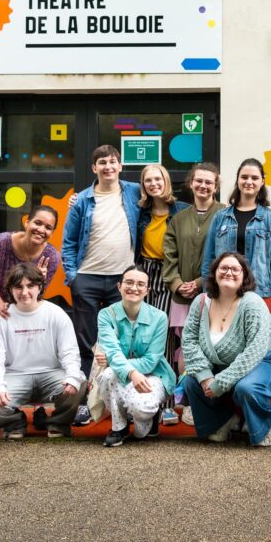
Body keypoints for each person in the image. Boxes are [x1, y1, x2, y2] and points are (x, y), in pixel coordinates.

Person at [63, 145, 141, 424]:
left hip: (123, 280)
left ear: (120, 165)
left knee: (123, 342)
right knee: (87, 343)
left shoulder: (134, 192)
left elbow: (163, 200)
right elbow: (68, 242)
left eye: (112, 161)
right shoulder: (82, 200)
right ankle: (86, 402)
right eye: (102, 163)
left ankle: (121, 401)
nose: (108, 166)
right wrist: (73, 278)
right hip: (87, 278)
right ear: (94, 168)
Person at [181, 252, 271, 446]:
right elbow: (189, 341)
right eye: (224, 268)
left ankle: (266, 423)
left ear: (244, 276)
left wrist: (221, 382)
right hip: (219, 365)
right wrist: (205, 376)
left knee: (246, 387)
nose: (229, 272)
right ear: (214, 273)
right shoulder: (201, 302)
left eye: (235, 269)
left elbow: (255, 350)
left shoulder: (252, 303)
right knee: (191, 382)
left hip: (263, 362)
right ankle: (224, 420)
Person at [0, 262, 85, 438]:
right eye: (18, 287)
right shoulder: (1, 318)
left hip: (51, 374)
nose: (24, 292)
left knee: (79, 382)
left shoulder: (56, 313)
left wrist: (72, 377)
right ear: (10, 290)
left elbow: (69, 352)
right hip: (14, 376)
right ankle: (14, 424)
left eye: (30, 286)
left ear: (39, 287)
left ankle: (58, 423)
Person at [162, 162, 225, 425]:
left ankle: (207, 400)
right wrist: (177, 283)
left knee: (209, 346)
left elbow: (225, 254)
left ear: (216, 186)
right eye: (199, 181)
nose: (203, 186)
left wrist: (200, 283)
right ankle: (186, 402)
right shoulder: (178, 218)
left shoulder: (224, 214)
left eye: (209, 182)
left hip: (213, 295)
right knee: (184, 350)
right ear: (191, 183)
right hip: (182, 296)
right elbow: (169, 255)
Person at [94, 265, 177, 447]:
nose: (134, 288)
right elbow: (112, 351)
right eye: (129, 282)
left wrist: (116, 362)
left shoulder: (159, 317)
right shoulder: (106, 315)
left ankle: (148, 419)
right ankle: (119, 427)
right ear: (119, 286)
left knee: (142, 409)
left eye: (140, 284)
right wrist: (130, 372)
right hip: (120, 374)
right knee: (107, 375)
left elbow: (151, 360)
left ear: (147, 290)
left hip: (154, 374)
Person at [201, 158, 271, 323]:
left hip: (261, 293)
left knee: (258, 339)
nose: (249, 182)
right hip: (223, 293)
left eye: (254, 178)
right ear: (238, 180)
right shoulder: (220, 217)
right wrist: (208, 294)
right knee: (224, 338)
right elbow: (209, 261)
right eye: (244, 177)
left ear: (262, 182)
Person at [0, 205, 60, 337]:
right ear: (26, 223)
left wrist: (38, 281)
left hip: (22, 301)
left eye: (48, 228)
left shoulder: (52, 257)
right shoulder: (0, 242)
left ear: (52, 233)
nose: (41, 230)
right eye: (38, 223)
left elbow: (38, 295)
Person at [134, 163, 188, 364]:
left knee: (163, 325)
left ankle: (165, 376)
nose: (153, 183)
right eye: (148, 180)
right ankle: (144, 372)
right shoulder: (140, 211)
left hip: (168, 272)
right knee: (143, 325)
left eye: (158, 179)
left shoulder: (182, 210)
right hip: (145, 272)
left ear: (166, 181)